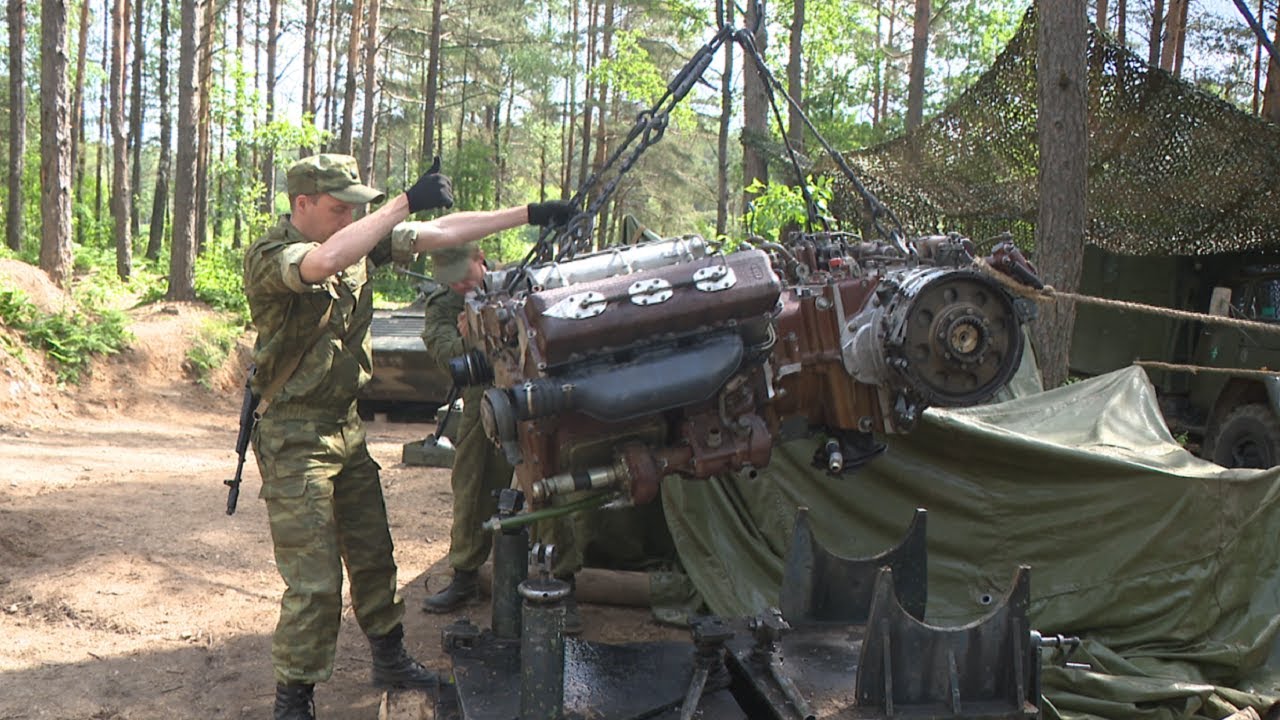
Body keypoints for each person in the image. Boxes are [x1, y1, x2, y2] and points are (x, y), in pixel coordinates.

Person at [242, 152, 572, 720]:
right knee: (315, 581)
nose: (349, 217)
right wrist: (400, 203)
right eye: (337, 207)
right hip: (294, 434)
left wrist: (529, 212)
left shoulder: (356, 238)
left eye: (354, 208)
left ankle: (389, 657)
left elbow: (442, 232)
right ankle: (294, 697)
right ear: (302, 205)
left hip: (343, 425)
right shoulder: (273, 256)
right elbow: (323, 263)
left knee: (374, 555)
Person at [418, 212, 586, 636]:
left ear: (482, 257)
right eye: (452, 279)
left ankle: (563, 581)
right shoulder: (444, 306)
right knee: (472, 483)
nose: (461, 285)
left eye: (465, 274)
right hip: (484, 400)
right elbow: (447, 356)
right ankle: (465, 575)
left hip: (538, 395)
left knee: (548, 483)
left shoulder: (523, 284)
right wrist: (475, 336)